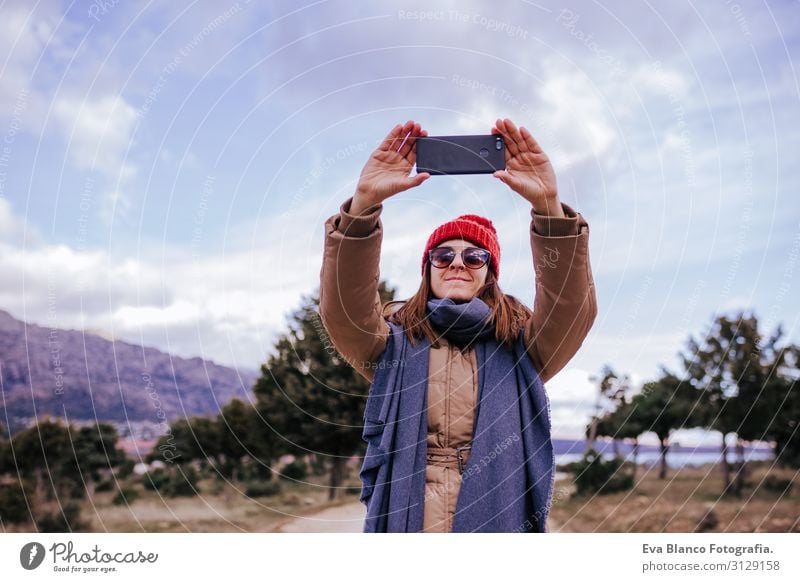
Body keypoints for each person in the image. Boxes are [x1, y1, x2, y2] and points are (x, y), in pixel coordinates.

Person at [319, 118, 597, 532]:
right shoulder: (392, 344)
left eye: (475, 257)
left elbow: (571, 309)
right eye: (443, 255)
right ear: (427, 269)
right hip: (408, 519)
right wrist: (362, 207)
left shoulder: (523, 346)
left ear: (490, 272)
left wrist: (549, 209)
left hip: (496, 512)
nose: (457, 264)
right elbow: (343, 310)